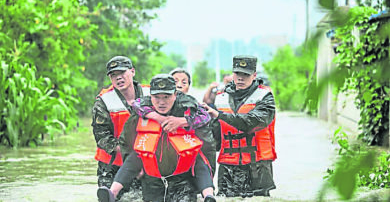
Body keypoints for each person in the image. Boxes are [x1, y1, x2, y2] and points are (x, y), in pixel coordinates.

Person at [97, 74, 216, 202]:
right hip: (153, 178)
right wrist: (158, 118)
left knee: (198, 156)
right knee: (136, 154)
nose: (161, 102)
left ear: (175, 94)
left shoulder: (188, 105)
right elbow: (127, 142)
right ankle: (112, 193)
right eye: (157, 97)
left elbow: (206, 127)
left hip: (182, 178)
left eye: (166, 97)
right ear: (151, 95)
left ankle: (208, 196)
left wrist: (183, 121)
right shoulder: (142, 107)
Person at [203, 55, 277, 198]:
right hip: (228, 166)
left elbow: (250, 123)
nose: (241, 78)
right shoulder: (221, 97)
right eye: (238, 73)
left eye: (246, 74)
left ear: (254, 75)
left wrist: (219, 115)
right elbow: (214, 138)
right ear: (233, 74)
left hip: (257, 167)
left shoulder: (265, 97)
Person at [92, 55, 144, 200]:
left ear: (132, 72)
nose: (118, 78)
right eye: (113, 75)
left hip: (146, 162)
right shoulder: (103, 101)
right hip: (112, 165)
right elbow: (102, 138)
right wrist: (132, 160)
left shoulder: (151, 95)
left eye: (122, 73)